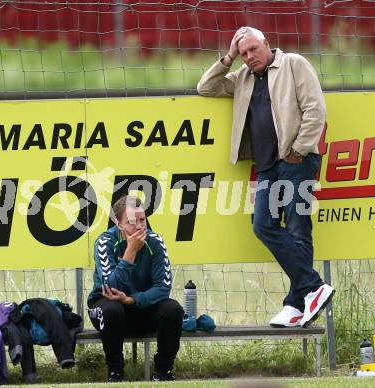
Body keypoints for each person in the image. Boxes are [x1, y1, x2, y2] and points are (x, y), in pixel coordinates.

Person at [197, 26, 334, 328]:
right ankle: (312, 288)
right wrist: (229, 56)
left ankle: (296, 304)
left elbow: (316, 110)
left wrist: (298, 149)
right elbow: (205, 87)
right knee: (263, 225)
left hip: (296, 161)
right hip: (267, 167)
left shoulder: (294, 64)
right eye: (243, 53)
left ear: (267, 44)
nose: (249, 57)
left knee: (298, 229)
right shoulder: (242, 77)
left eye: (252, 50)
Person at [87, 195, 184, 382]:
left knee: (173, 310)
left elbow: (163, 287)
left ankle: (164, 372)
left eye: (142, 220)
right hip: (109, 307)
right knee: (112, 309)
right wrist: (130, 251)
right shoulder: (104, 242)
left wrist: (132, 300)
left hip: (140, 305)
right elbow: (111, 287)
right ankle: (115, 372)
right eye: (132, 221)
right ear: (119, 223)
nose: (140, 226)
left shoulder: (155, 241)